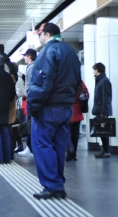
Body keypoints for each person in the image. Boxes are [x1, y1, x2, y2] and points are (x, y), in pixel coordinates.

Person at [26, 23, 81, 200]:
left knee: (42, 144)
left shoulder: (47, 52)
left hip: (48, 107)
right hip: (66, 107)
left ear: (48, 34)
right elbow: (77, 81)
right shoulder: (71, 52)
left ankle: (52, 185)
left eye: (40, 34)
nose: (39, 38)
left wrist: (33, 105)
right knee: (58, 145)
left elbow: (42, 82)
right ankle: (58, 184)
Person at [91, 62, 112, 158]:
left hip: (102, 111)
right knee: (101, 132)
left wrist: (103, 112)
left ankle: (106, 151)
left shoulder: (104, 81)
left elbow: (106, 98)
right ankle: (105, 151)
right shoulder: (100, 80)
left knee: (104, 132)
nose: (93, 72)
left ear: (97, 70)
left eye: (94, 69)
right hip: (99, 110)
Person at [66, 80, 89, 161]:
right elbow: (86, 94)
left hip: (67, 111)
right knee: (75, 134)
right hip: (77, 111)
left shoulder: (65, 81)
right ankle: (74, 154)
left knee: (67, 133)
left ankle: (69, 151)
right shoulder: (80, 82)